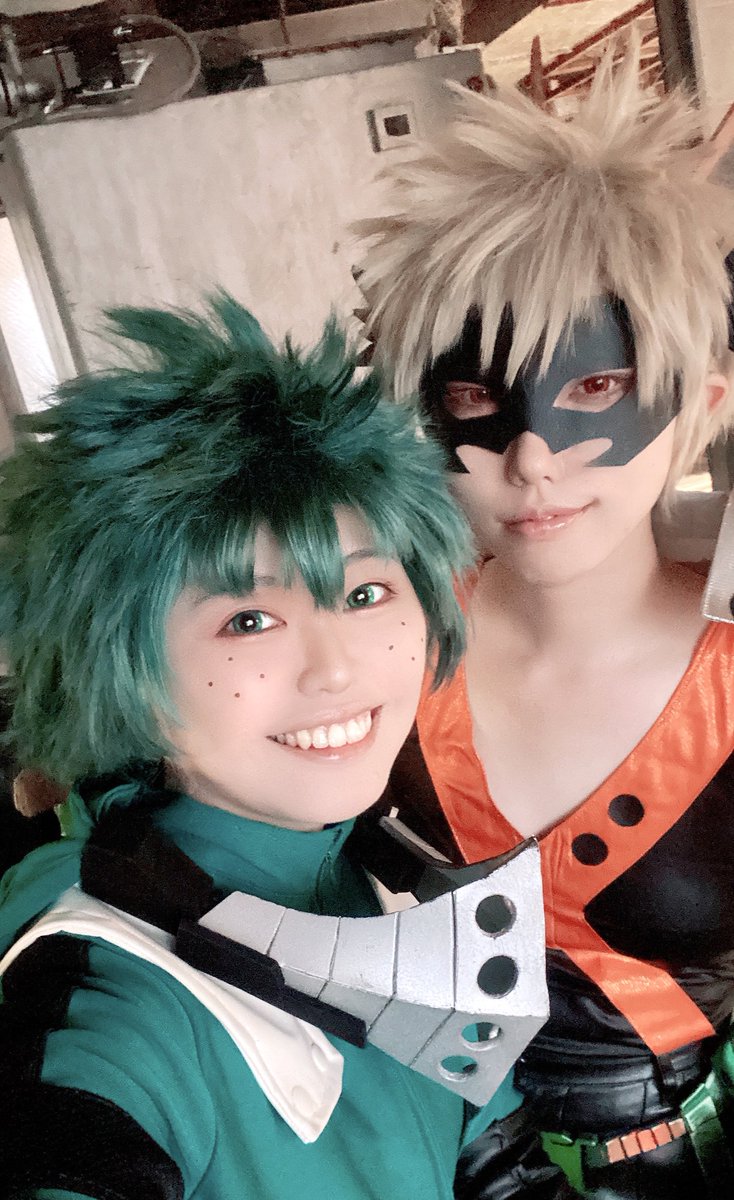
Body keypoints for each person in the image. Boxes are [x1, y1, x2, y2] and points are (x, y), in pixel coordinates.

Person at [0, 295, 524, 1199]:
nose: (336, 669)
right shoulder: (114, 997)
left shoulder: (392, 875)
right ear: (119, 669)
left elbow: (498, 1170)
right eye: (248, 619)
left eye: (364, 595)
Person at [357, 42, 734, 1200]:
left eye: (594, 388)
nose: (531, 459)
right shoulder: (372, 654)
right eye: (474, 397)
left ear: (701, 400)